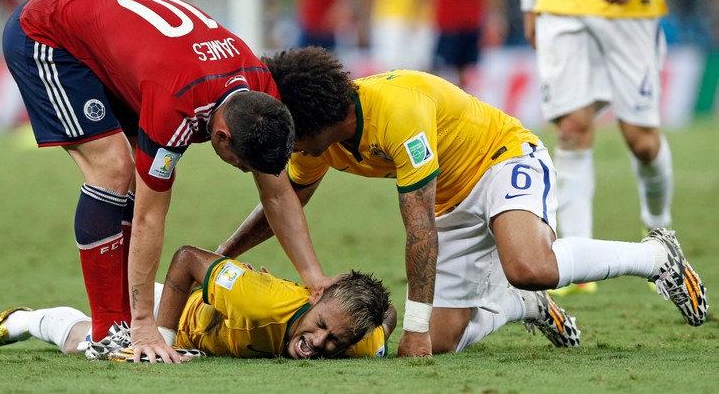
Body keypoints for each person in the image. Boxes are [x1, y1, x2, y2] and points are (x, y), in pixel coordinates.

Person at [217, 48, 707, 358]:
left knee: (529, 264)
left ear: (316, 119)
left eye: (291, 136)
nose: (287, 149)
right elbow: (283, 207)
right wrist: (224, 257)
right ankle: (522, 307)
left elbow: (419, 227)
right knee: (444, 339)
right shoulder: (318, 144)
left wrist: (412, 327)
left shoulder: (397, 112)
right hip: (448, 204)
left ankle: (657, 256)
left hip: (501, 160)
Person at [0, 0, 335, 363]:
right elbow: (148, 216)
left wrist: (314, 277)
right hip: (46, 34)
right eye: (242, 164)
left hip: (120, 51)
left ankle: (117, 320)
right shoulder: (177, 109)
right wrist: (147, 323)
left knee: (125, 172)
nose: (244, 171)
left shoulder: (261, 91)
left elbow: (276, 193)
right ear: (221, 136)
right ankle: (112, 329)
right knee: (113, 168)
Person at [522, 0, 673, 295]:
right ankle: (580, 263)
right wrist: (530, 0)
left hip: (628, 2)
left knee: (641, 140)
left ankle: (660, 228)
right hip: (561, 0)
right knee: (572, 128)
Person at [0, 246, 394, 361]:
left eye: (334, 341)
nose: (317, 342)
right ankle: (22, 321)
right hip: (177, 311)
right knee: (91, 343)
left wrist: (400, 325)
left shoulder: (357, 335)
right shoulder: (261, 300)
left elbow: (385, 319)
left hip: (199, 329)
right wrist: (161, 338)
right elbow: (187, 259)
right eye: (319, 326)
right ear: (314, 297)